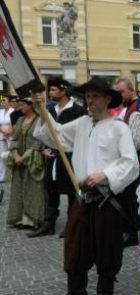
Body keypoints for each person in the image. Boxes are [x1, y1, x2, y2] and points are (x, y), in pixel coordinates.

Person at [33, 76, 139, 295]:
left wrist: (106, 175)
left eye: (95, 96)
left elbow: (131, 163)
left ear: (108, 98)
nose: (89, 101)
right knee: (75, 251)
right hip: (82, 198)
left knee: (107, 254)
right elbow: (57, 135)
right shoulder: (82, 124)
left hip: (106, 200)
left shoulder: (119, 128)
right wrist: (42, 110)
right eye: (88, 96)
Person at [28, 78, 86, 238]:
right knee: (50, 190)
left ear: (64, 90)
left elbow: (74, 135)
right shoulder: (50, 109)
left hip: (70, 157)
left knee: (71, 192)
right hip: (52, 157)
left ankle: (71, 225)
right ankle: (48, 224)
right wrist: (43, 149)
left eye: (53, 90)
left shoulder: (78, 111)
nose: (50, 93)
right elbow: (42, 131)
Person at [115, 78, 140, 248]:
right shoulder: (131, 108)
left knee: (135, 201)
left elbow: (135, 142)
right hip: (134, 161)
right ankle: (132, 234)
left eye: (122, 92)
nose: (119, 95)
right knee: (129, 200)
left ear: (131, 91)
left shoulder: (137, 110)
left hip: (138, 162)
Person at [6, 97, 46, 229]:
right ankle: (21, 219)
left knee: (33, 189)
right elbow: (14, 138)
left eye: (22, 104)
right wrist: (15, 154)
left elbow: (39, 141)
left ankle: (32, 219)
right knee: (19, 189)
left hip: (33, 160)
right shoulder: (19, 120)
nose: (19, 107)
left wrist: (24, 157)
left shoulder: (40, 120)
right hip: (18, 159)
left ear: (31, 105)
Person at [0, 95, 14, 203]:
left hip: (11, 134)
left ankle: (13, 174)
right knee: (2, 156)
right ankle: (2, 175)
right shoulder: (0, 112)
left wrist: (8, 132)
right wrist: (2, 131)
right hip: (1, 135)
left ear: (9, 102)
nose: (3, 102)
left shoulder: (13, 111)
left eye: (4, 100)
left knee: (12, 154)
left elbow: (13, 123)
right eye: (2, 100)